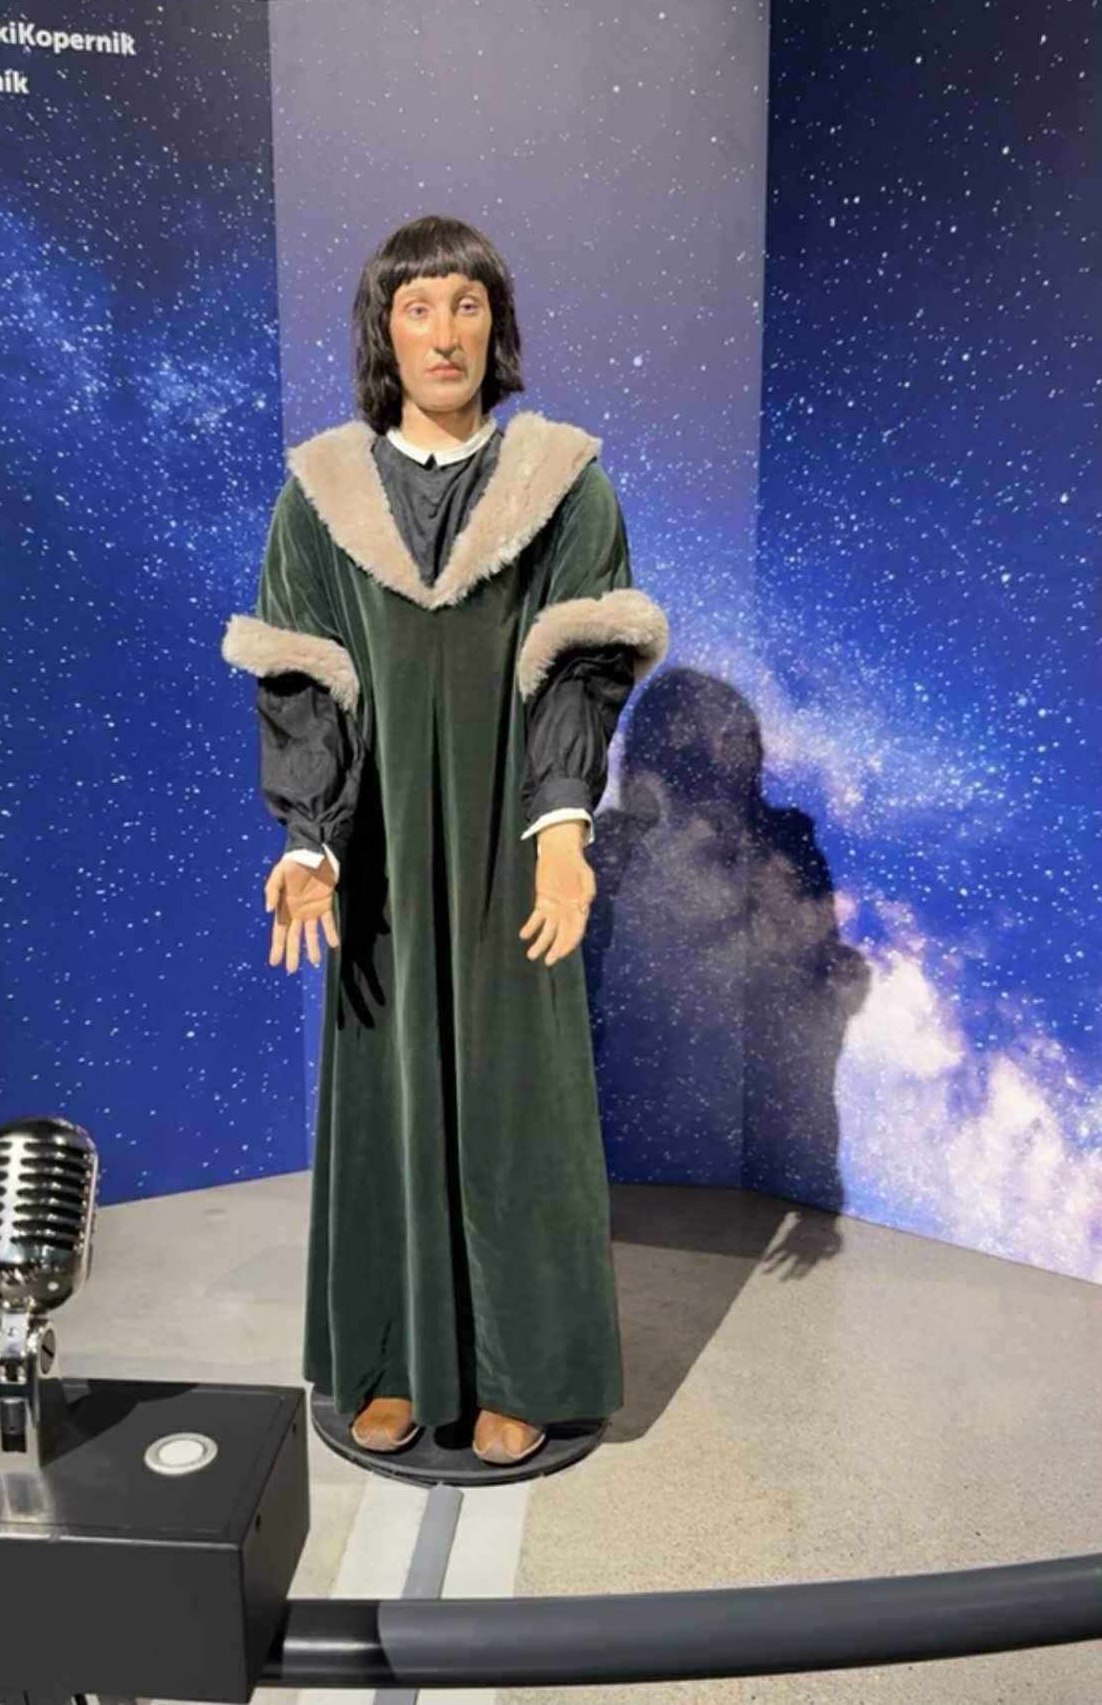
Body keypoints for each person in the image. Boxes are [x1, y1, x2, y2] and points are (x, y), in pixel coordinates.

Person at [223, 216, 669, 1466]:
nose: (443, 333)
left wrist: (563, 829)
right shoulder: (320, 495)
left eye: (466, 304)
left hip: (510, 838)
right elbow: (304, 678)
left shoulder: (564, 485)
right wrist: (312, 841)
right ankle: (395, 1362)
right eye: (417, 307)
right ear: (385, 330)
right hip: (380, 857)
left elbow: (578, 667)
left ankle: (522, 1369)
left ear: (495, 326)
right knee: (391, 1087)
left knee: (520, 1095)